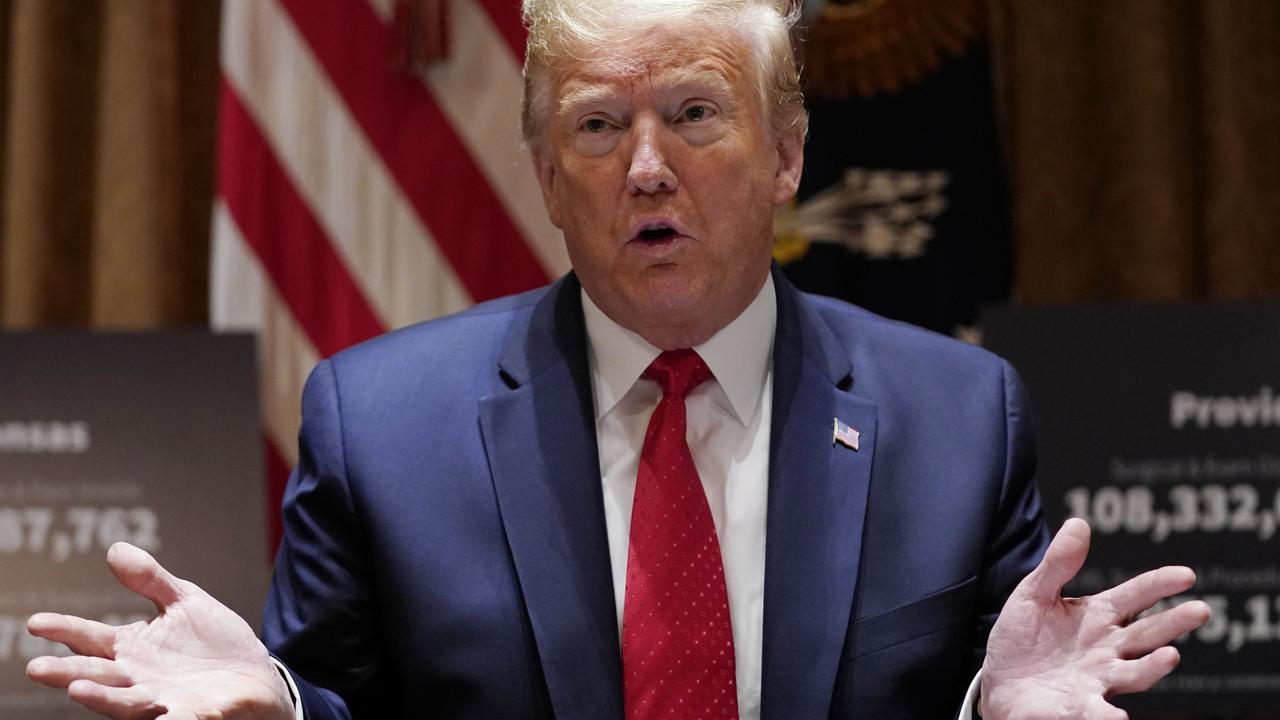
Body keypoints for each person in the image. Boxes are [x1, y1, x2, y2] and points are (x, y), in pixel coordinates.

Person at [25, 0, 1209, 718]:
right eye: (597, 125)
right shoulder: (380, 422)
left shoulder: (957, 413)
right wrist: (275, 705)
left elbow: (978, 686)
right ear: (546, 177)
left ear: (785, 155)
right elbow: (342, 706)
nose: (646, 167)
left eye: (695, 114)